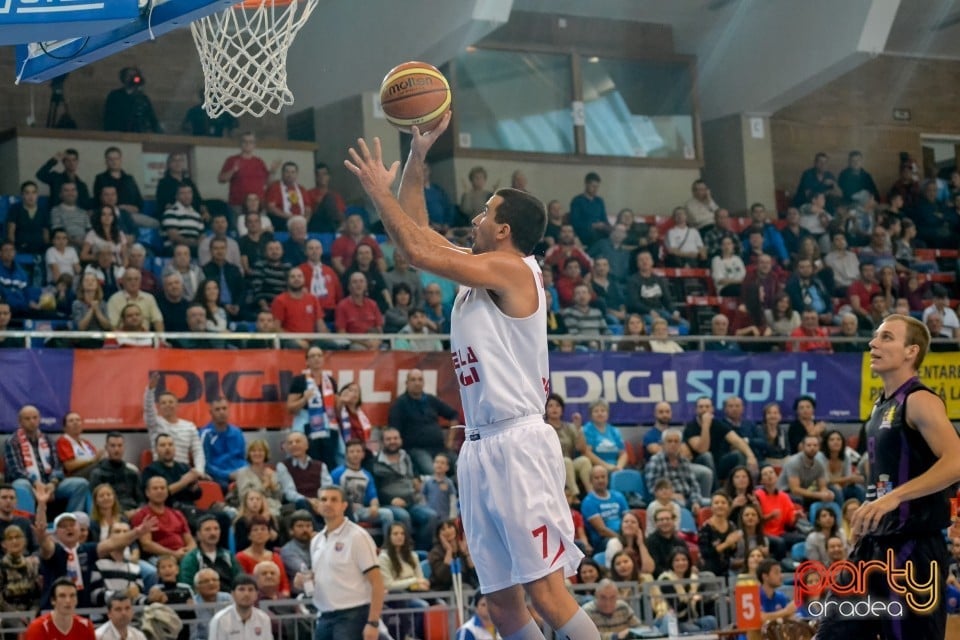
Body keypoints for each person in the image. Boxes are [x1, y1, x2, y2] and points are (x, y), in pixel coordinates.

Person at [347, 116, 596, 639]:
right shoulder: (477, 269)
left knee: (548, 596)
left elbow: (414, 249)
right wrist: (417, 157)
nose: (477, 218)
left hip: (518, 441)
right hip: (479, 447)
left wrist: (376, 191)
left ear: (504, 229)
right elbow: (418, 233)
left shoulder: (516, 269)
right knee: (503, 609)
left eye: (486, 212)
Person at [816, 315, 960, 639]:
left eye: (886, 338)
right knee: (831, 633)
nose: (873, 344)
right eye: (875, 337)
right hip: (873, 546)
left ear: (911, 351)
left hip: (913, 547)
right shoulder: (880, 407)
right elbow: (885, 477)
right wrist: (869, 514)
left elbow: (957, 460)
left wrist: (893, 498)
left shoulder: (919, 399)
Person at [309, 486, 384, 640]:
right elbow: (322, 577)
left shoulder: (357, 536)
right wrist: (305, 580)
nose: (328, 503)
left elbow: (377, 582)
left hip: (352, 615)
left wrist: (373, 623)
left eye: (334, 499)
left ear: (344, 505)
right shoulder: (316, 540)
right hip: (324, 615)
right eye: (323, 499)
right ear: (317, 505)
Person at [3, 405, 90, 514]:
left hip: (50, 485)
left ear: (39, 419)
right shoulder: (12, 442)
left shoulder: (47, 439)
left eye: (35, 418)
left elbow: (57, 467)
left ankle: (69, 522)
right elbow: (15, 471)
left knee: (81, 484)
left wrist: (52, 483)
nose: (32, 421)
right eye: (27, 419)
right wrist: (35, 483)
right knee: (20, 484)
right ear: (20, 422)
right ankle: (27, 524)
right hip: (30, 485)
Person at [388, 368, 461, 475]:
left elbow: (454, 415)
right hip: (417, 450)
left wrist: (450, 441)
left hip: (440, 448)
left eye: (420, 379)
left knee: (460, 466)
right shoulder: (399, 404)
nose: (417, 383)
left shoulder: (431, 400)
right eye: (413, 380)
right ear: (407, 383)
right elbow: (394, 430)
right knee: (433, 472)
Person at [286, 346, 341, 468]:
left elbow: (336, 407)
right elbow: (290, 408)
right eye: (313, 356)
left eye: (319, 355)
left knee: (329, 462)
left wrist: (343, 401)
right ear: (307, 361)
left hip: (328, 428)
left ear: (323, 359)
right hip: (308, 427)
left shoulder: (330, 381)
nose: (316, 358)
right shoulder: (299, 381)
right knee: (311, 462)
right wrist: (304, 399)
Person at [378, 522, 430, 640]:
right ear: (389, 537)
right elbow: (389, 584)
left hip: (415, 592)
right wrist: (413, 581)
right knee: (422, 606)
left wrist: (417, 583)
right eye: (395, 533)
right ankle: (410, 636)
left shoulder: (413, 556)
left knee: (440, 603)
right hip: (394, 597)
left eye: (402, 533)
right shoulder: (384, 557)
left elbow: (421, 580)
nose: (399, 536)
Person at [178, 514, 240, 592]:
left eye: (216, 529)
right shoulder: (191, 559)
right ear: (198, 535)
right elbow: (187, 587)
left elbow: (240, 581)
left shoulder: (228, 556)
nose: (213, 533)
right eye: (207, 529)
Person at [24, 578, 96, 640]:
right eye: (62, 596)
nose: (68, 600)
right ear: (53, 600)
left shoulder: (86, 626)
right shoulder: (38, 627)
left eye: (72, 595)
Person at [207, 575, 273, 640]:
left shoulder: (264, 619)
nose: (246, 594)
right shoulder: (220, 620)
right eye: (241, 589)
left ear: (256, 595)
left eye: (250, 590)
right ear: (233, 594)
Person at [103, 67, 161, 133]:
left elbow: (152, 118)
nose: (132, 78)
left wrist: (159, 133)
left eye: (134, 75)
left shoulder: (142, 98)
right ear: (124, 78)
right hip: (119, 134)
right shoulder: (115, 96)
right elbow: (109, 117)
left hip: (138, 134)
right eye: (129, 76)